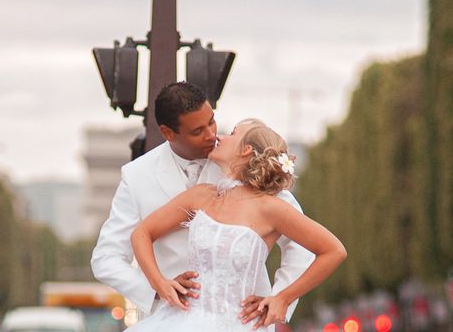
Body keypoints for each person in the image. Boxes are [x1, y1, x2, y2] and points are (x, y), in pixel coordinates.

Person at [90, 82, 314, 329]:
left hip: (244, 321)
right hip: (169, 319)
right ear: (168, 133)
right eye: (198, 131)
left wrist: (280, 299)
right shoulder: (137, 176)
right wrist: (157, 287)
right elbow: (106, 257)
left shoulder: (242, 160)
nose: (211, 135)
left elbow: (301, 246)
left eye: (212, 121)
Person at [127, 119, 347, 331]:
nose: (219, 137)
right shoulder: (201, 195)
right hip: (182, 321)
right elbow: (142, 233)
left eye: (232, 133)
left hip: (240, 324)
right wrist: (160, 284)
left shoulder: (271, 208)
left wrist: (283, 298)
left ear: (246, 150)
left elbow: (334, 251)